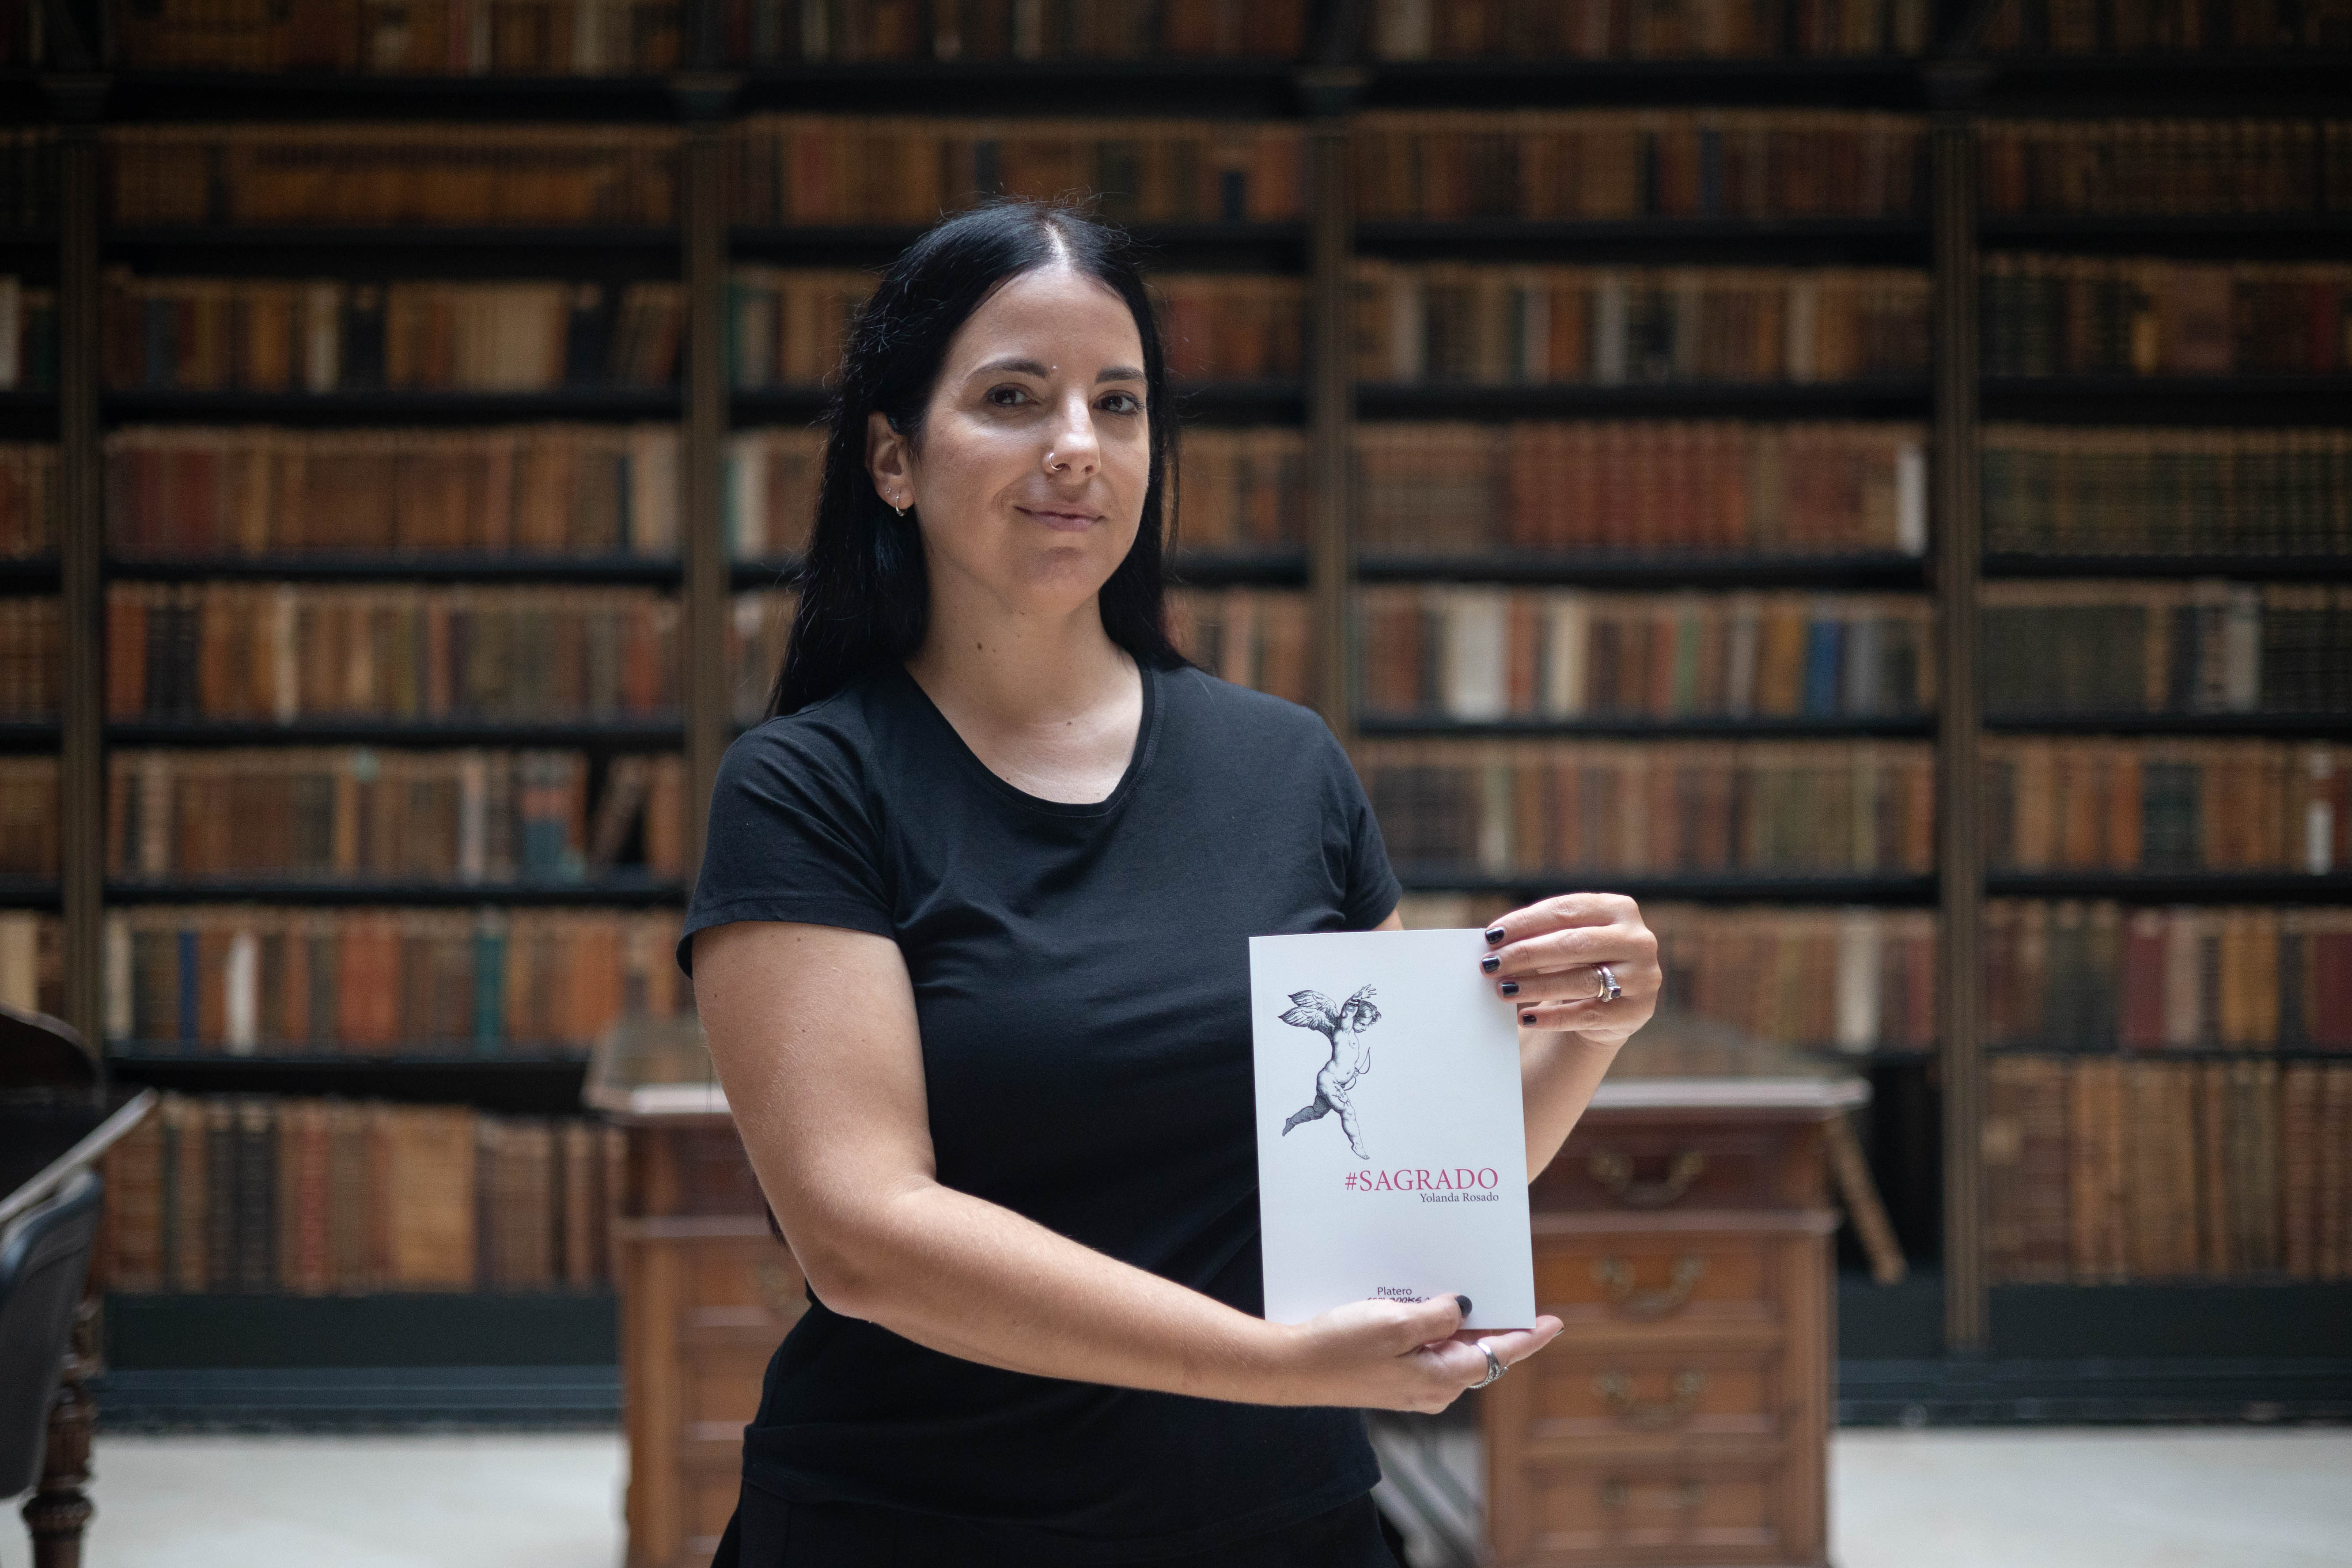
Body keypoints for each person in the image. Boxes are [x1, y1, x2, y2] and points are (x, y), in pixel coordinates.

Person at [682, 200, 1661, 1567]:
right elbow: (862, 1238)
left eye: (1119, 402)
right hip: (919, 1525)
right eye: (1013, 398)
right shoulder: (808, 787)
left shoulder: (1287, 765)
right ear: (893, 458)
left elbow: (1400, 1177)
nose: (1078, 446)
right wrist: (1270, 1366)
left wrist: (1595, 1032)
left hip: (1285, 1525)